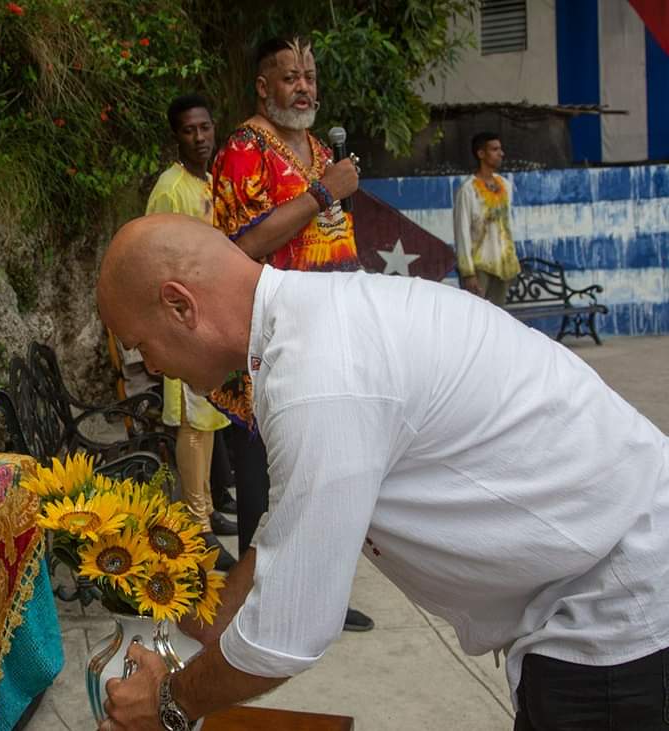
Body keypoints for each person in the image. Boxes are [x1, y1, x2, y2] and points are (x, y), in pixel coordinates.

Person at [96, 214, 669, 731]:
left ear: (180, 305)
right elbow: (294, 521)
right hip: (606, 578)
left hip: (617, 609)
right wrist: (215, 621)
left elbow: (285, 636)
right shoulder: (313, 322)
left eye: (141, 346)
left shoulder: (316, 376)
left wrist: (167, 703)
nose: (151, 366)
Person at [209, 35, 371, 631]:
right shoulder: (244, 149)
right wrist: (325, 193)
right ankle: (259, 607)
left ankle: (321, 597)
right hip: (272, 340)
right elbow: (244, 246)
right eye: (290, 77)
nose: (304, 87)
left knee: (325, 472)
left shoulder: (321, 150)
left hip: (333, 332)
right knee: (262, 476)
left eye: (309, 76)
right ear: (262, 86)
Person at [145, 94, 236, 571]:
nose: (199, 138)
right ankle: (197, 527)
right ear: (175, 136)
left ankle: (209, 508)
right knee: (193, 425)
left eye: (204, 128)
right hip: (185, 325)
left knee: (210, 419)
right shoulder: (170, 187)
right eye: (188, 131)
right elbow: (154, 255)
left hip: (215, 320)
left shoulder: (215, 180)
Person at [453, 132, 521, 306]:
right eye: (494, 149)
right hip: (479, 265)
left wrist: (512, 260)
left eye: (500, 149)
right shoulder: (468, 190)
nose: (501, 153)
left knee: (498, 317)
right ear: (481, 154)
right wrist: (468, 273)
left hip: (503, 264)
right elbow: (462, 232)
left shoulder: (504, 185)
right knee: (476, 316)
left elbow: (507, 226)